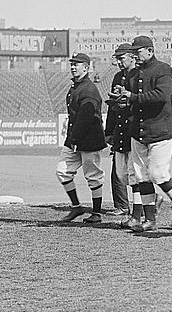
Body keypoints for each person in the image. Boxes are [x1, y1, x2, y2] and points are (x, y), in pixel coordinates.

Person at [111, 35, 172, 232]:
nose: (135, 54)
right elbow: (132, 102)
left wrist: (132, 96)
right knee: (141, 176)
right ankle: (150, 219)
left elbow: (162, 96)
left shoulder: (162, 69)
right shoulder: (134, 74)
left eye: (138, 51)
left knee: (157, 174)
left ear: (149, 51)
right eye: (133, 52)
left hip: (160, 131)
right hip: (138, 132)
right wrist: (121, 96)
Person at [56, 52, 106, 223]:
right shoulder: (76, 87)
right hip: (75, 139)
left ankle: (97, 213)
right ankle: (76, 207)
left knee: (93, 176)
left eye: (77, 64)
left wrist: (75, 139)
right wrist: (73, 140)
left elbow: (86, 118)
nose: (73, 67)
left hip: (89, 139)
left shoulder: (89, 89)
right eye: (72, 64)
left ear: (86, 67)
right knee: (62, 171)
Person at [104, 43, 136, 218]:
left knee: (136, 171)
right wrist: (109, 130)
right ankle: (122, 206)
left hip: (134, 126)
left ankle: (150, 200)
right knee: (118, 170)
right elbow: (112, 107)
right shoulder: (117, 77)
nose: (118, 62)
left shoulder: (140, 76)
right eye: (117, 58)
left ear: (132, 57)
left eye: (121, 58)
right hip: (120, 126)